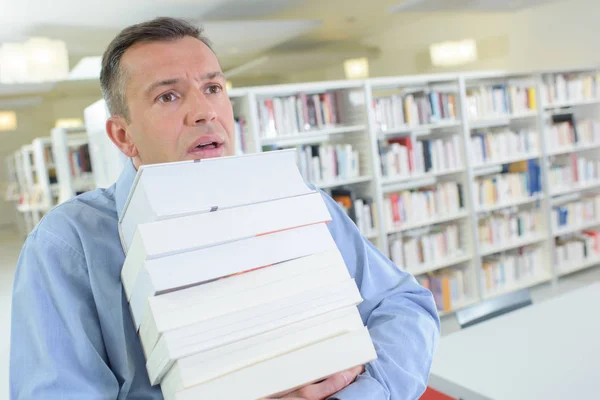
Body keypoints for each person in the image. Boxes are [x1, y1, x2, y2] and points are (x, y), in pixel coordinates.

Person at [10, 17, 440, 400]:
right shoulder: (66, 246)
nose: (204, 112)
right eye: (168, 97)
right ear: (123, 136)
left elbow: (405, 304)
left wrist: (368, 392)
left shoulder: (292, 196)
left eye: (213, 88)